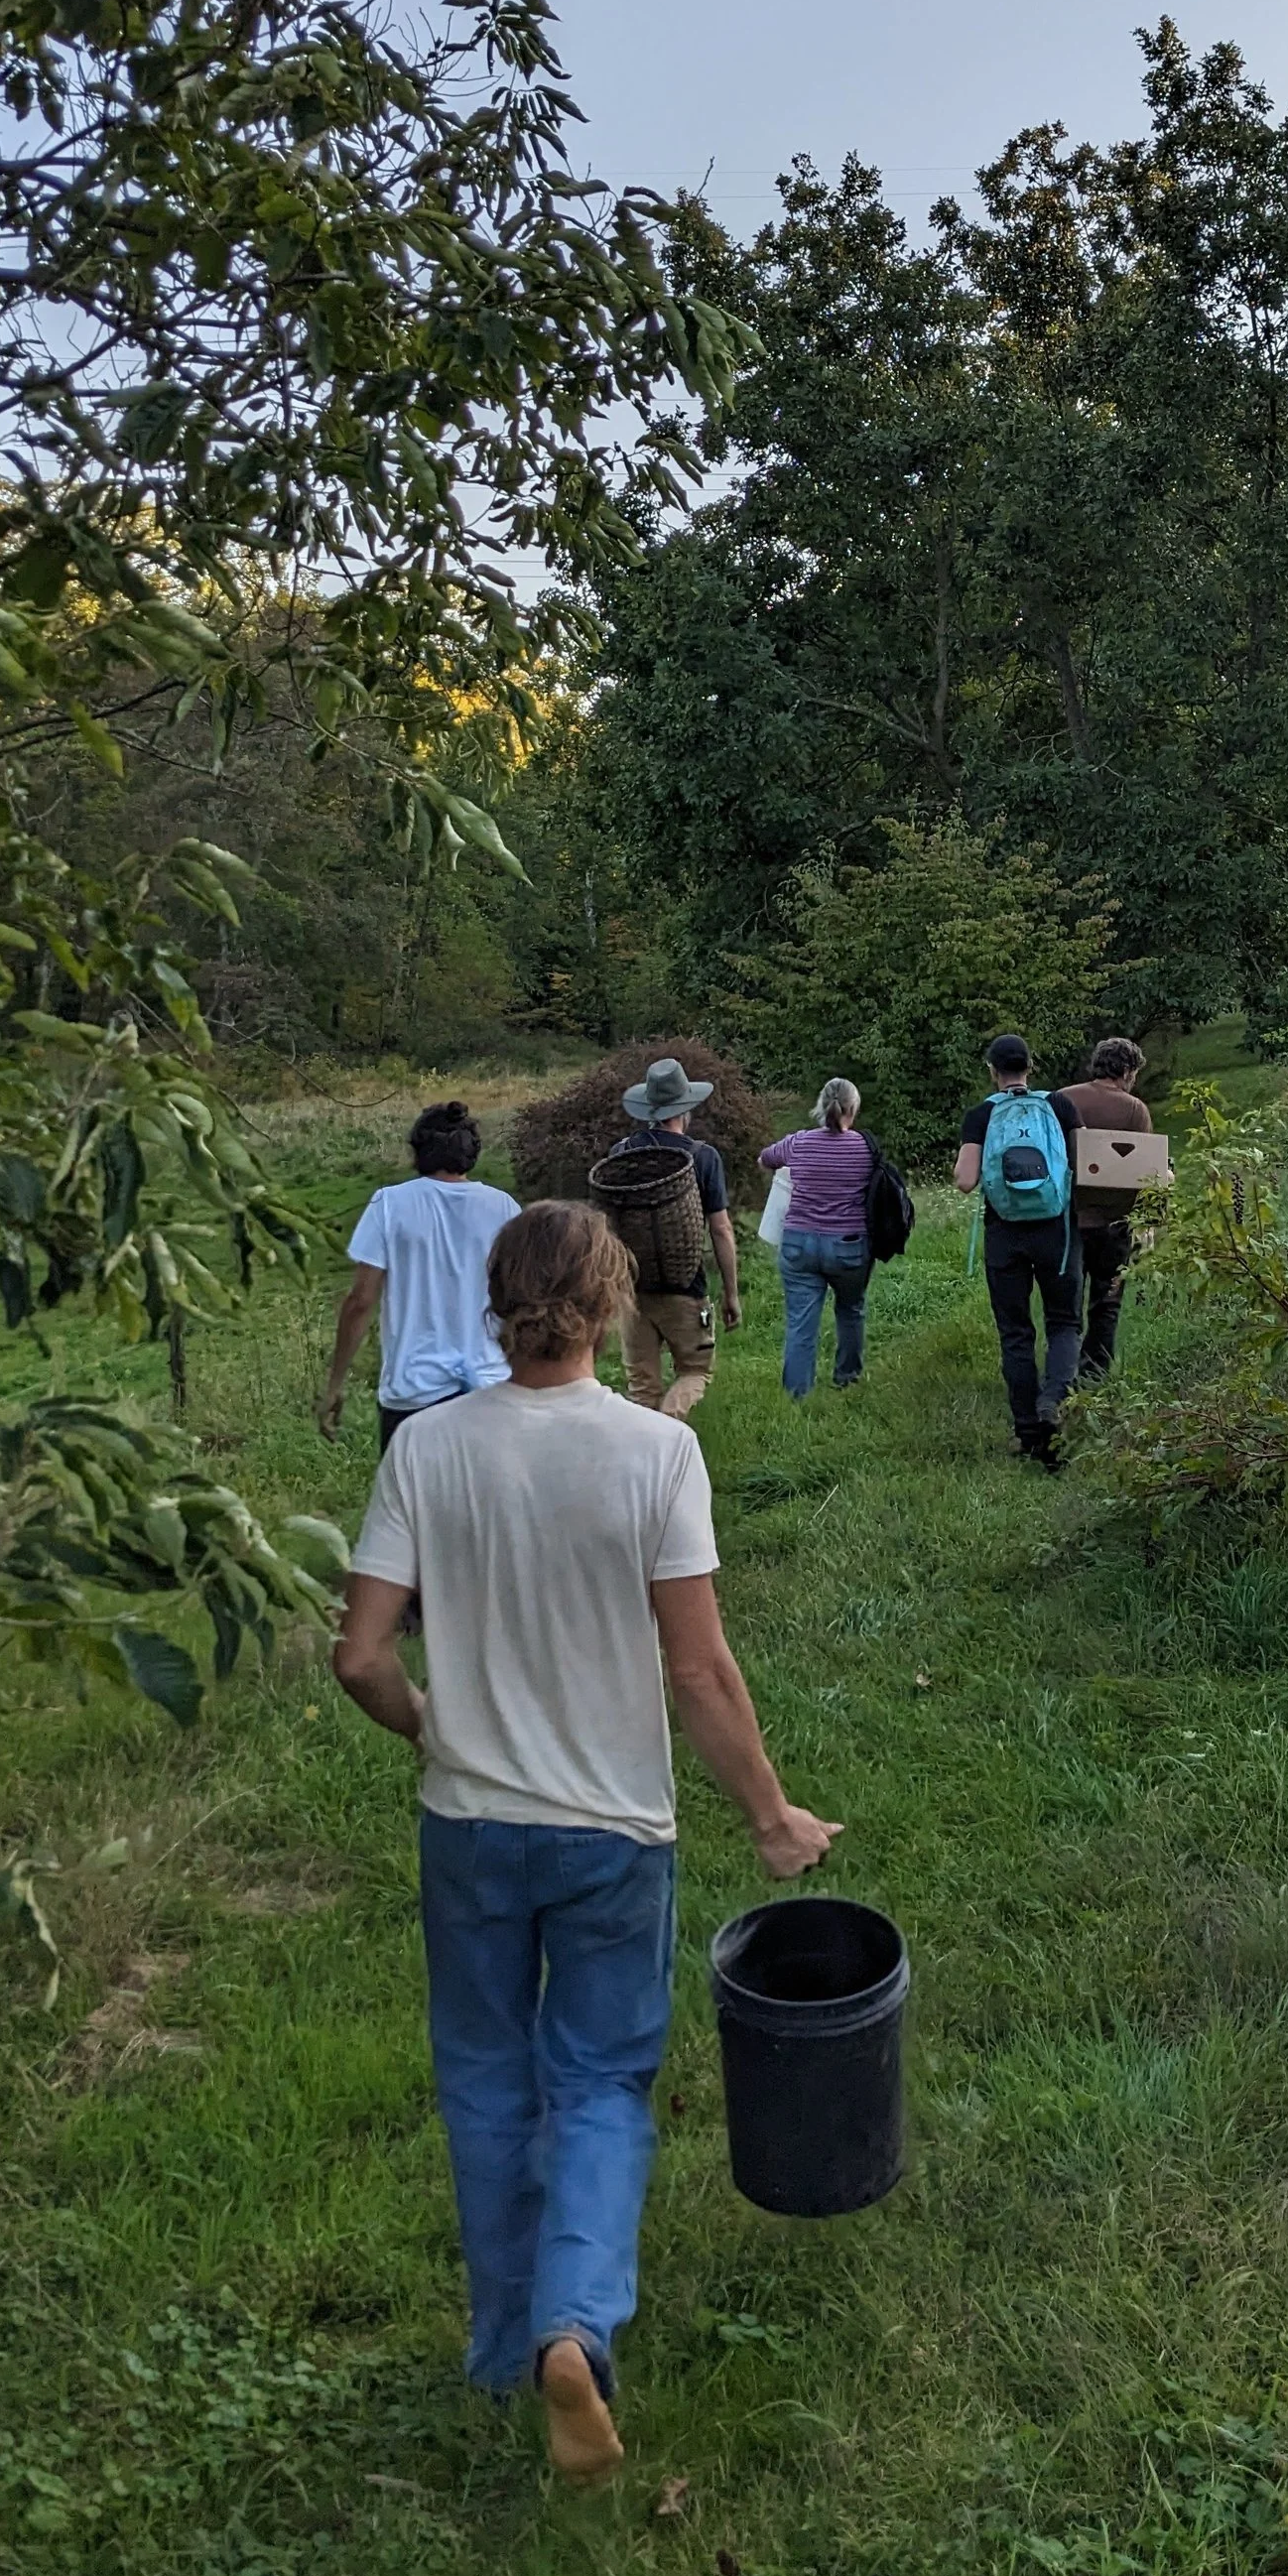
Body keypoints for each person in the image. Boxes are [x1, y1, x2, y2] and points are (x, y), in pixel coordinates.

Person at [333, 1201, 839, 2485]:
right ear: (610, 1307)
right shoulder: (656, 1454)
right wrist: (771, 1813)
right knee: (603, 2083)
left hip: (469, 1827)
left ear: (493, 1308)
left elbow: (359, 1654)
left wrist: (432, 1725)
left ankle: (506, 2349)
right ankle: (575, 2327)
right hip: (615, 1831)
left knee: (488, 2085)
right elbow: (701, 1670)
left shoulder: (427, 1451)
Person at [320, 1099, 521, 1452]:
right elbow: (519, 1300)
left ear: (418, 1150)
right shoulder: (503, 1206)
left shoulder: (388, 1203)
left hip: (413, 1393)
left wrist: (335, 1384)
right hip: (489, 1387)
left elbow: (361, 1301)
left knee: (411, 1504)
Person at [955, 1031, 1082, 1469]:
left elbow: (965, 1180)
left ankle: (1028, 1433)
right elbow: (1084, 1165)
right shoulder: (1059, 1105)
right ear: (1031, 1066)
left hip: (1004, 1233)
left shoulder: (981, 1115)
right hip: (1056, 1232)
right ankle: (1054, 1402)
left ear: (993, 1071)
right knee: (1064, 1323)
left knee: (1016, 1334)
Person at [608, 1056, 740, 1423]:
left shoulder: (620, 1154)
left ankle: (643, 1462)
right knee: (695, 1371)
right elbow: (721, 1229)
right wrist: (730, 1293)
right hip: (685, 1289)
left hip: (632, 1289)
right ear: (686, 1109)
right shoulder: (703, 1157)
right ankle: (669, 1429)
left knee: (641, 1387)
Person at [757, 1077, 877, 1398]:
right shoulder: (865, 1148)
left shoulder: (799, 1142)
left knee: (800, 1322)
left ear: (821, 1107)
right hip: (848, 1247)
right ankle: (847, 1379)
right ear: (853, 1108)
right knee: (851, 1310)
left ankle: (798, 1394)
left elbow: (765, 1158)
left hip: (799, 1243)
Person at [1058, 1035, 1163, 1383]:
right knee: (1106, 1303)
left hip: (1066, 1218)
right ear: (1128, 1070)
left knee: (1066, 1307)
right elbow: (1146, 1172)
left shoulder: (1063, 1098)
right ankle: (1095, 1378)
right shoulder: (1134, 1109)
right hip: (1112, 1223)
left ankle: (1061, 1376)